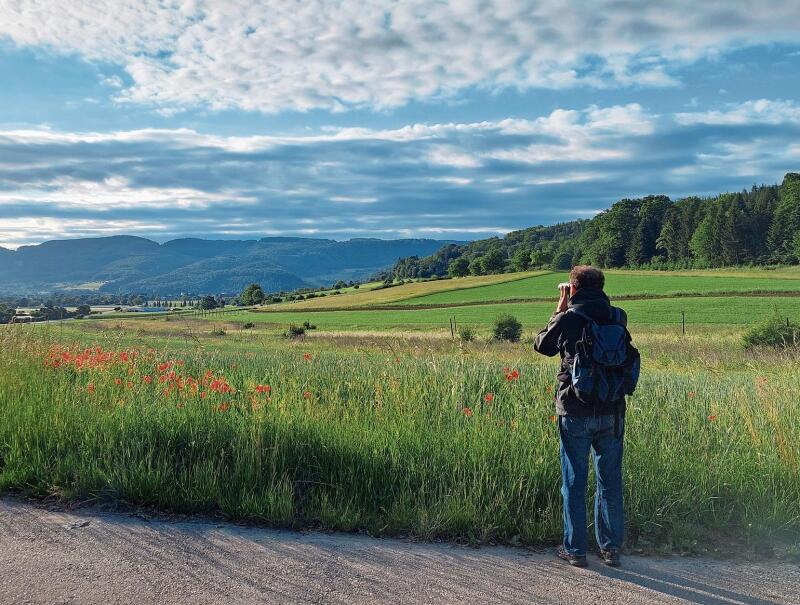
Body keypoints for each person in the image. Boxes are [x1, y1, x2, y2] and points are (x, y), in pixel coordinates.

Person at [533, 265, 629, 568]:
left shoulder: (570, 318)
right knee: (610, 482)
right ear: (601, 287)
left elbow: (542, 346)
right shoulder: (618, 316)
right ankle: (611, 549)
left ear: (572, 288)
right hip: (612, 409)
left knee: (574, 481)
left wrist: (558, 311)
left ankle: (575, 551)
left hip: (575, 409)